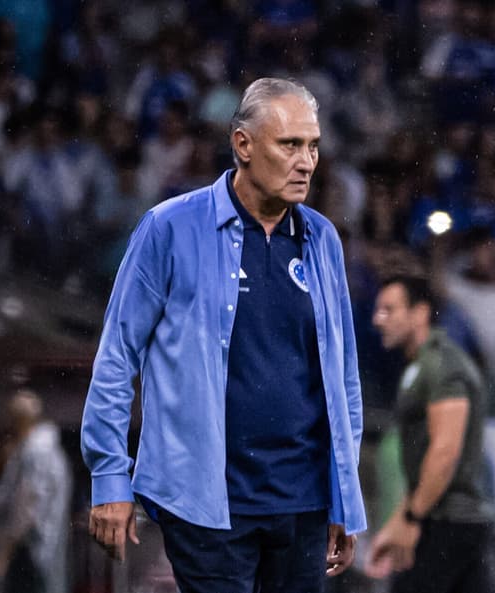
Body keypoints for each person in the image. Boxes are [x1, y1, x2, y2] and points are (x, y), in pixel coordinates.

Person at [81, 77, 365, 593]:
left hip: (302, 502)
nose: (306, 161)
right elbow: (118, 357)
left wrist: (346, 496)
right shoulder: (168, 228)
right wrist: (109, 475)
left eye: (313, 146)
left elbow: (343, 376)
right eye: (290, 144)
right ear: (243, 145)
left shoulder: (323, 240)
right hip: (204, 502)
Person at [366, 274, 494, 593]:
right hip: (446, 519)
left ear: (420, 313)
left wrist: (411, 519)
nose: (377, 319)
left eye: (389, 309)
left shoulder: (442, 364)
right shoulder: (420, 365)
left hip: (448, 523)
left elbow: (444, 452)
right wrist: (400, 521)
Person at [0, 389, 72, 593]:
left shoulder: (35, 452)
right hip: (44, 548)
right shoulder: (48, 451)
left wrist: (4, 553)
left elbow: (26, 508)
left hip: (33, 550)